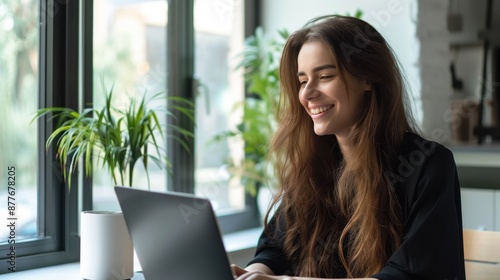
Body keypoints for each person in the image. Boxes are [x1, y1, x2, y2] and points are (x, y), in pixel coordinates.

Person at [233, 15, 465, 280]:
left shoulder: (426, 164)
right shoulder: (315, 166)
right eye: (302, 81)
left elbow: (404, 276)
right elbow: (276, 249)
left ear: (368, 79)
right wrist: (251, 273)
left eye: (325, 76)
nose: (307, 94)